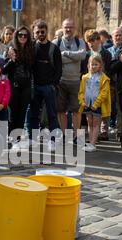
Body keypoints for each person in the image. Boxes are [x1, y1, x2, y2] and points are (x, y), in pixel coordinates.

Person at [28, 19, 62, 150]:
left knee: (52, 114)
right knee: (33, 114)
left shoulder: (54, 49)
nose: (40, 34)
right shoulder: (31, 47)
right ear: (34, 33)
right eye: (37, 32)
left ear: (47, 31)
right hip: (34, 86)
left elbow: (59, 69)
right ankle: (32, 139)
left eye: (43, 31)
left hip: (49, 86)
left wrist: (53, 84)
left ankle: (53, 141)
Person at [53, 18, 86, 146]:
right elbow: (56, 59)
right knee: (61, 110)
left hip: (75, 81)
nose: (68, 29)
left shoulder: (80, 42)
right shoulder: (56, 42)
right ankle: (64, 136)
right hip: (60, 81)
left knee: (76, 110)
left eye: (71, 27)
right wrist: (74, 57)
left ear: (74, 28)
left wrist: (65, 53)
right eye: (66, 27)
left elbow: (82, 56)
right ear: (62, 27)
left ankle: (77, 137)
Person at [3, 26, 34, 148]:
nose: (23, 37)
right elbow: (3, 69)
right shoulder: (10, 50)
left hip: (26, 86)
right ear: (16, 36)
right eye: (20, 35)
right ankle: (11, 138)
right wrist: (12, 60)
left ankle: (18, 139)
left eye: (25, 35)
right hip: (13, 86)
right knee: (13, 114)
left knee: (22, 114)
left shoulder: (31, 50)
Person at [77, 55, 111, 152]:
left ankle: (93, 143)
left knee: (96, 124)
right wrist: (82, 102)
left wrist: (96, 103)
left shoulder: (103, 78)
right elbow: (81, 92)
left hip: (97, 105)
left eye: (96, 64)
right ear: (88, 65)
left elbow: (104, 93)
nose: (94, 66)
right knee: (89, 123)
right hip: (87, 104)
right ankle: (90, 141)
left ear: (100, 66)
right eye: (92, 64)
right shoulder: (85, 77)